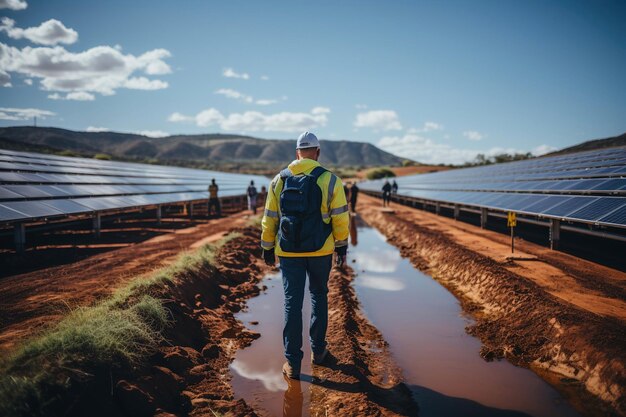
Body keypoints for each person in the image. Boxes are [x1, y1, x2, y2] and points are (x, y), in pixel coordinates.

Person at [261, 131, 349, 380]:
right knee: (319, 296)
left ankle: (292, 363)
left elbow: (269, 219)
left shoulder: (278, 180)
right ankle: (319, 352)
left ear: (296, 152)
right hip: (321, 251)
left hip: (289, 252)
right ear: (318, 152)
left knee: (292, 302)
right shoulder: (331, 180)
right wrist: (341, 246)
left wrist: (267, 248)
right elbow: (340, 217)